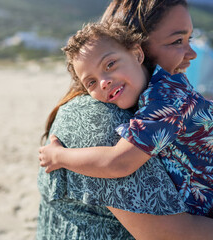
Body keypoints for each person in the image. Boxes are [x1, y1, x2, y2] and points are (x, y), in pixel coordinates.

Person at [36, 0, 213, 239]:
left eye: (188, 39)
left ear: (137, 53)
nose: (104, 82)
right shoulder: (103, 116)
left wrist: (59, 156)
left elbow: (118, 162)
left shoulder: (165, 101)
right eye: (176, 41)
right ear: (138, 47)